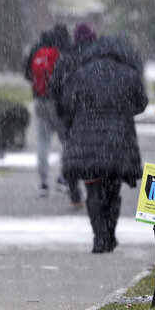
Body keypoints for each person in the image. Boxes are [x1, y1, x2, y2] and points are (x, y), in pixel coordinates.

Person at [60, 35, 148, 253]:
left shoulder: (81, 74)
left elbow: (67, 104)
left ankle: (99, 236)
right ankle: (109, 233)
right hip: (118, 140)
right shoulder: (128, 74)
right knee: (112, 188)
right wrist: (122, 112)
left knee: (93, 188)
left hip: (87, 140)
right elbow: (141, 103)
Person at [50, 22, 98, 209]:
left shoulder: (66, 57)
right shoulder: (96, 56)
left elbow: (54, 85)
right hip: (92, 113)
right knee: (93, 152)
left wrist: (61, 109)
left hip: (70, 114)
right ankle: (93, 191)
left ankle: (75, 194)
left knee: (70, 153)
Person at [24, 25, 70, 196]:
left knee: (43, 143)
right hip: (58, 103)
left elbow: (27, 73)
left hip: (39, 99)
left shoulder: (37, 50)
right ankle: (64, 178)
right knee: (66, 141)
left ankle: (43, 182)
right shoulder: (62, 51)